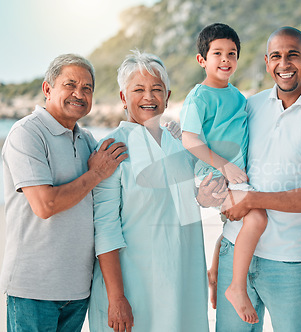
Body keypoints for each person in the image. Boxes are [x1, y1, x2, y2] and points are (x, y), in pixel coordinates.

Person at [88, 50, 226, 332]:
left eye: (156, 89)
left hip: (182, 279)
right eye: (138, 89)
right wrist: (116, 298)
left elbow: (193, 193)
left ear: (168, 95)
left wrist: (204, 195)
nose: (148, 97)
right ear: (124, 97)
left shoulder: (180, 143)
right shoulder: (112, 147)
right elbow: (105, 227)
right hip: (134, 287)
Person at [214, 26, 301, 332]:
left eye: (293, 55)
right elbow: (231, 171)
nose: (284, 64)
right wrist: (219, 249)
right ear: (267, 62)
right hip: (235, 249)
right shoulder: (249, 106)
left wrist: (253, 201)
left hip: (290, 259)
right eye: (277, 56)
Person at [0, 54, 127, 331]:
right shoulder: (26, 134)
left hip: (78, 291)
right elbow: (46, 204)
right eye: (70, 85)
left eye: (87, 88)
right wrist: (95, 174)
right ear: (48, 89)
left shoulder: (88, 141)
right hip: (34, 290)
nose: (79, 94)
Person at [180, 22, 267, 324]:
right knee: (256, 217)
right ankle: (236, 287)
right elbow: (189, 139)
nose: (225, 59)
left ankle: (215, 274)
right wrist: (223, 165)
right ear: (202, 60)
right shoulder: (199, 97)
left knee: (232, 228)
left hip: (235, 176)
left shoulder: (239, 98)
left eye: (231, 53)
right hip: (213, 176)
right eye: (217, 53)